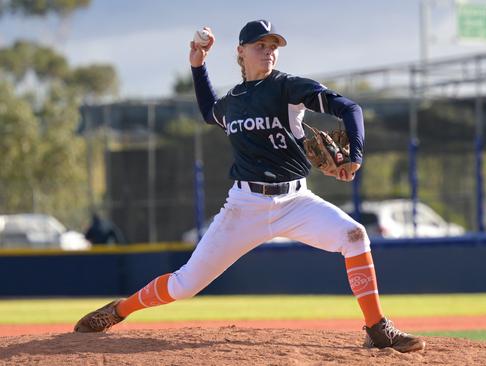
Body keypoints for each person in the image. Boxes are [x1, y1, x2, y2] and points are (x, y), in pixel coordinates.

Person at [73, 20, 425, 353]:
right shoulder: (234, 102)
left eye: (274, 45)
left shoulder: (288, 88)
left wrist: (356, 155)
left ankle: (377, 329)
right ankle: (119, 310)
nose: (269, 50)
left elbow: (350, 108)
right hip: (245, 205)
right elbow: (210, 110)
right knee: (185, 285)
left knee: (354, 236)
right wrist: (198, 66)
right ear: (241, 51)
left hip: (296, 201)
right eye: (260, 45)